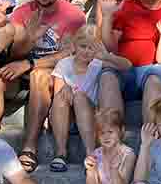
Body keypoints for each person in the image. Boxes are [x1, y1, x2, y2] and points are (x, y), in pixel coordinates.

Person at [0, 0, 85, 173]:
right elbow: (15, 55)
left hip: (50, 72)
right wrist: (29, 40)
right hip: (21, 72)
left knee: (39, 75)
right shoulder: (22, 12)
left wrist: (29, 64)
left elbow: (69, 55)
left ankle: (29, 147)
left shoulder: (73, 16)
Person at [47, 26, 131, 172]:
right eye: (83, 46)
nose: (86, 51)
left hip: (90, 121)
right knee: (62, 95)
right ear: (74, 46)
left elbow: (127, 66)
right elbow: (57, 98)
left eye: (91, 48)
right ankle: (60, 152)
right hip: (65, 121)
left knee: (79, 97)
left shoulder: (96, 64)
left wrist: (106, 56)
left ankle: (91, 154)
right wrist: (65, 88)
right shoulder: (64, 64)